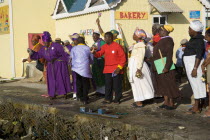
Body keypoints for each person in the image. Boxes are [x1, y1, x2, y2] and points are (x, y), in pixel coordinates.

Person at [28, 31, 71, 100]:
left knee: (60, 79)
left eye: (46, 43)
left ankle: (64, 93)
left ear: (49, 41)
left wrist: (62, 61)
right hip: (50, 65)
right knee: (51, 80)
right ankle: (52, 94)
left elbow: (65, 54)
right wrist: (32, 53)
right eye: (44, 43)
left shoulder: (57, 46)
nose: (45, 44)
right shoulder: (43, 48)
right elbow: (38, 55)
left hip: (59, 65)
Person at [96, 18, 130, 92]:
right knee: (109, 84)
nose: (104, 38)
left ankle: (120, 93)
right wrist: (98, 24)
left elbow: (123, 52)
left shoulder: (119, 42)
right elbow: (102, 33)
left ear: (114, 36)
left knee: (118, 83)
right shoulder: (106, 44)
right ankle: (109, 97)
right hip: (108, 66)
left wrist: (121, 65)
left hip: (118, 64)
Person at [91, 32, 126, 104]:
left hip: (116, 69)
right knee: (108, 85)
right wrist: (94, 52)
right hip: (107, 69)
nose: (104, 39)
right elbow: (99, 54)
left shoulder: (117, 46)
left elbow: (123, 58)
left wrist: (119, 68)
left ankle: (117, 99)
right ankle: (107, 99)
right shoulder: (104, 46)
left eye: (105, 37)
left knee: (117, 85)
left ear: (110, 38)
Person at [152, 25, 180, 110]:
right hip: (159, 65)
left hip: (165, 66)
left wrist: (167, 67)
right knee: (163, 85)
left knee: (169, 85)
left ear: (166, 32)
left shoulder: (168, 40)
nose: (159, 32)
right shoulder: (162, 40)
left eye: (161, 31)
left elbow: (169, 54)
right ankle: (166, 102)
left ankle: (171, 103)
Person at [183, 20, 206, 114]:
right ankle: (198, 105)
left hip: (194, 65)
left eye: (190, 29)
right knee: (195, 85)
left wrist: (195, 68)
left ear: (195, 30)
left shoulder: (199, 40)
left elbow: (199, 55)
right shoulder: (194, 39)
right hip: (191, 64)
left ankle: (196, 107)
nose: (188, 30)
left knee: (197, 85)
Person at [128, 28, 154, 107]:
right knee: (141, 83)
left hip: (137, 65)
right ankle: (144, 99)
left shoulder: (141, 45)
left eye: (134, 34)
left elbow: (140, 57)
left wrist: (138, 69)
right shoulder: (138, 44)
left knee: (138, 83)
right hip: (135, 65)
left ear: (138, 36)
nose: (133, 35)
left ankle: (139, 102)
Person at [71, 37, 93, 105]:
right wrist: (90, 63)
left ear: (77, 41)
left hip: (76, 68)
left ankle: (80, 97)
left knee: (78, 83)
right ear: (84, 41)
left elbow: (72, 57)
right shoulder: (87, 48)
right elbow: (91, 59)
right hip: (85, 68)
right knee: (85, 83)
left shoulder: (74, 48)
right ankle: (85, 99)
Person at [201, 28, 210, 117]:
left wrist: (203, 65)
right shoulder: (207, 44)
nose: (205, 37)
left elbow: (209, 57)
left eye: (207, 36)